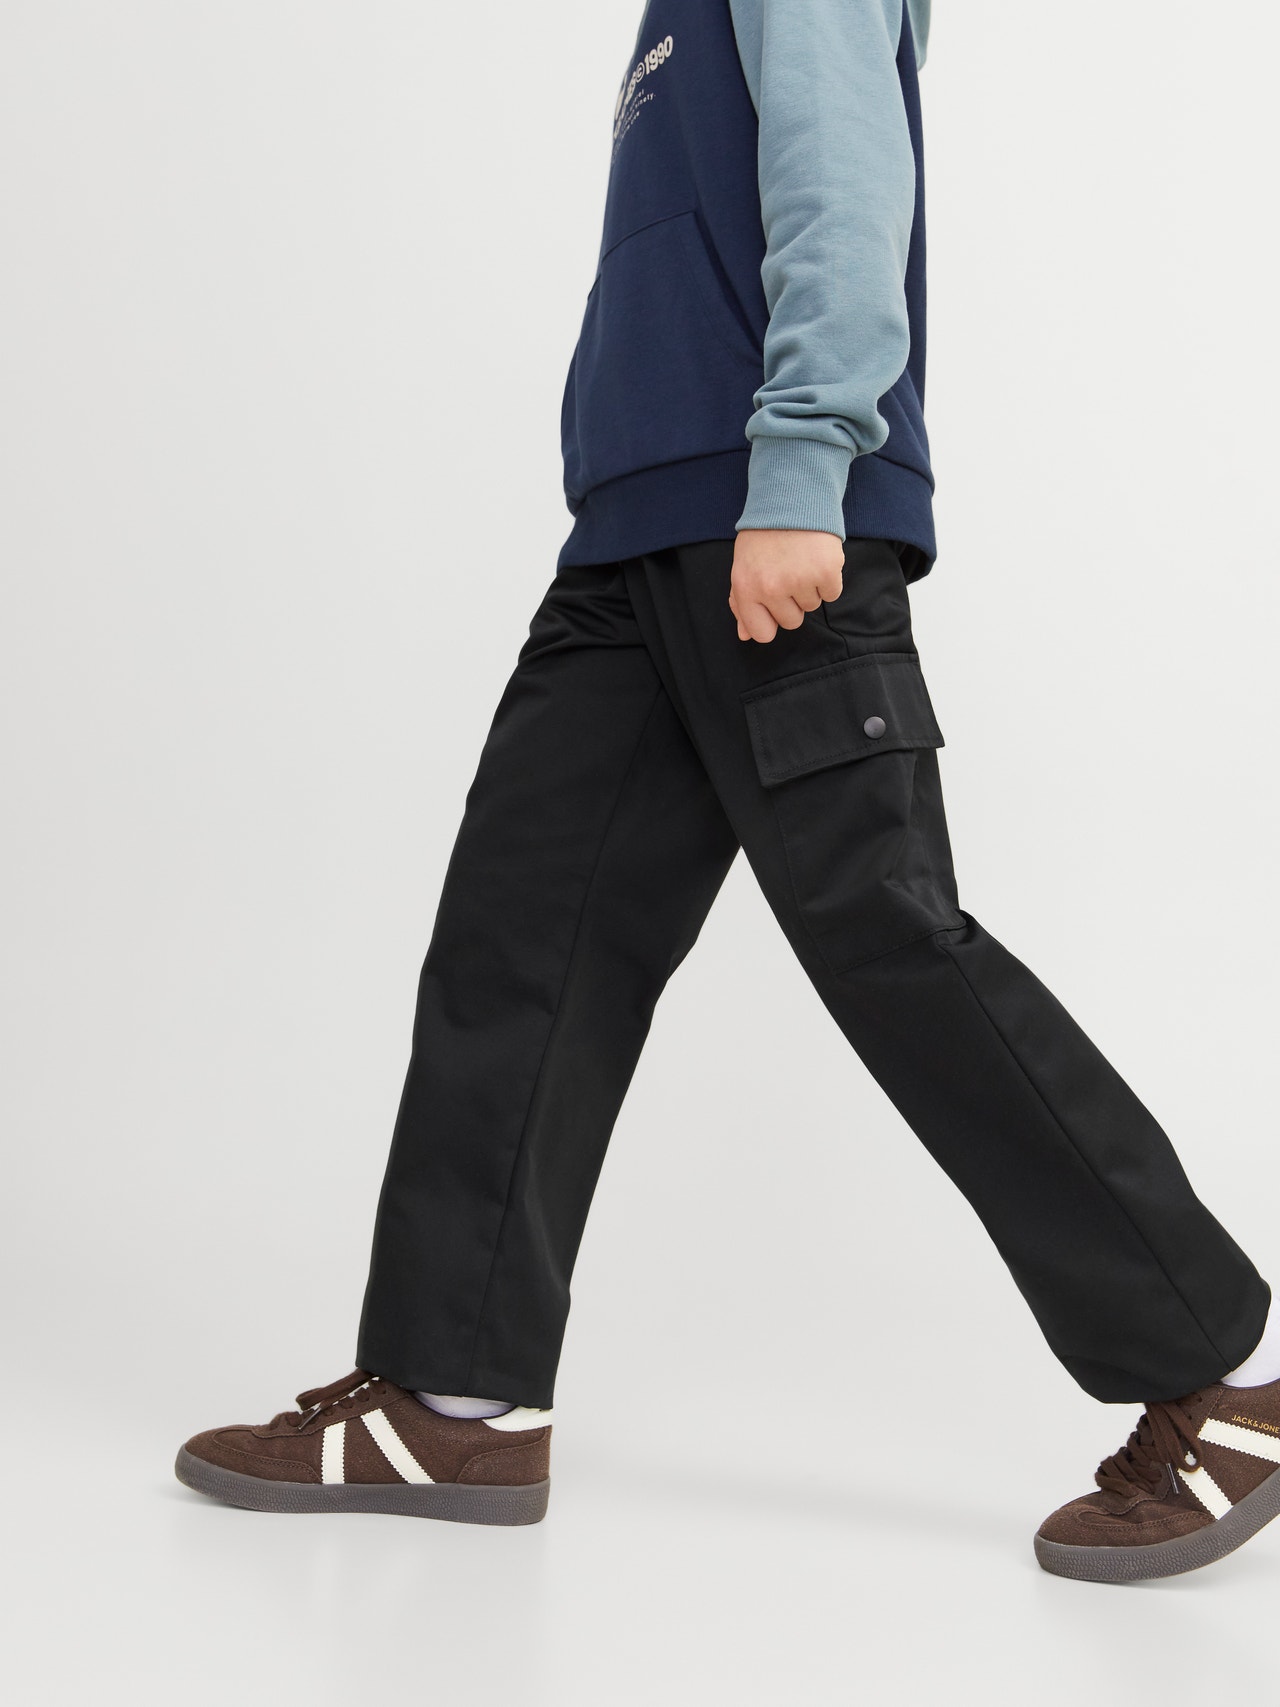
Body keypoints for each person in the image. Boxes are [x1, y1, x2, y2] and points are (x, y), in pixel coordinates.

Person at [174, 0, 1280, 1582]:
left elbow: (845, 181)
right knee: (521, 940)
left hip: (763, 518)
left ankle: (1221, 1381)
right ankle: (453, 1398)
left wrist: (806, 466)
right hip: (637, 538)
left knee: (892, 939)